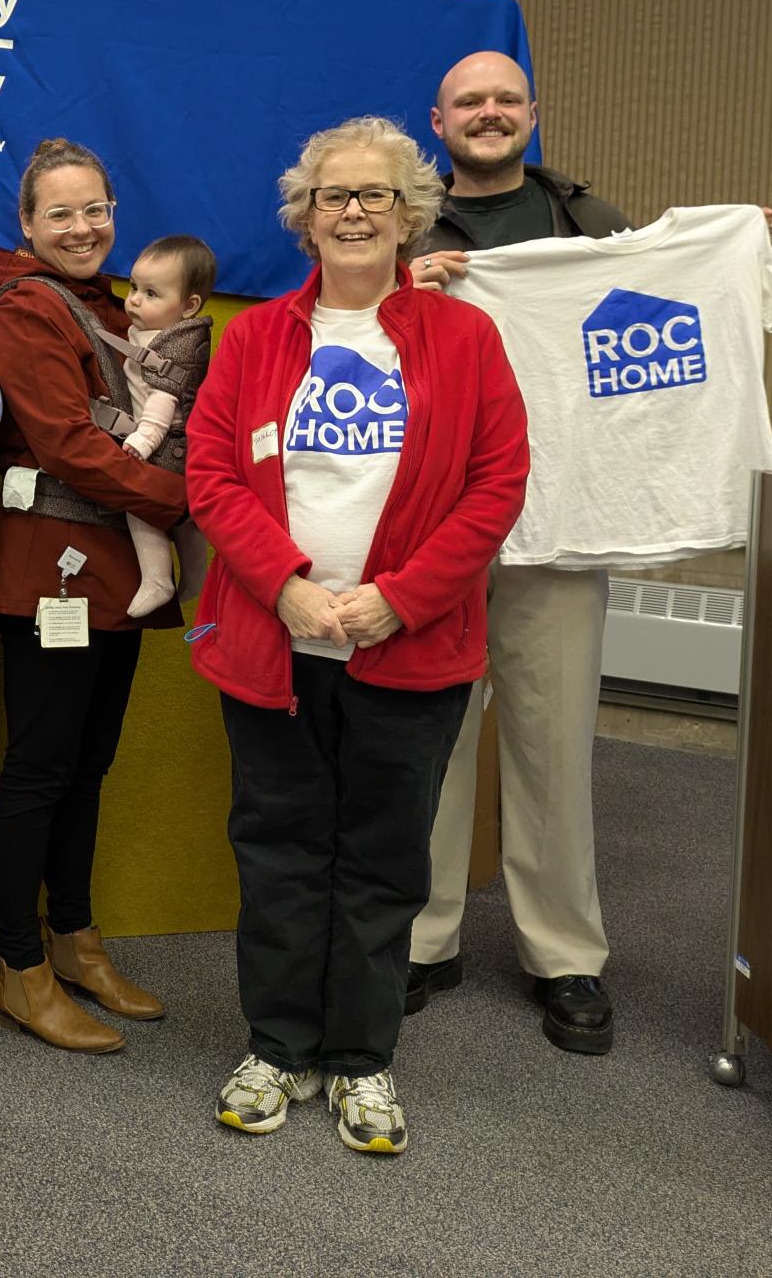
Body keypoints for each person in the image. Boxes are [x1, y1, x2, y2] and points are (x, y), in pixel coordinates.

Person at [403, 50, 772, 1056]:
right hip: (431, 526)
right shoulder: (401, 220)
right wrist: (407, 291)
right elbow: (342, 330)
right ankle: (420, 933)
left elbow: (701, 323)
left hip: (561, 525)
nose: (487, 114)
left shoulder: (597, 226)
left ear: (531, 114)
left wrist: (744, 251)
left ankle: (563, 953)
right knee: (426, 739)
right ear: (436, 121)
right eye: (467, 103)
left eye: (503, 99)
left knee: (552, 740)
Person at [189, 117, 528, 1154]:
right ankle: (278, 1043)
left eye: (371, 195)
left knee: (383, 858)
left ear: (408, 213)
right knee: (280, 850)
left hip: (407, 647)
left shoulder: (462, 338)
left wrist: (403, 596)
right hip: (273, 644)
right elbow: (207, 469)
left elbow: (496, 482)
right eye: (331, 195)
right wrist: (285, 585)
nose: (349, 211)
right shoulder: (253, 338)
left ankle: (360, 1056)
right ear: (303, 215)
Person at [0, 138, 181, 1054]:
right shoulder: (26, 308)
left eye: (94, 209)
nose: (82, 226)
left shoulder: (115, 307)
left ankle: (73, 939)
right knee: (40, 767)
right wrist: (188, 500)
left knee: (89, 762)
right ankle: (20, 966)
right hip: (50, 570)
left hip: (116, 575)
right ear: (26, 225)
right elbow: (65, 443)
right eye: (60, 213)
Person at [117, 233, 216, 616]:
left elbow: (162, 402)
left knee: (139, 506)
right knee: (187, 521)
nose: (135, 299)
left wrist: (143, 440)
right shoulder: (160, 332)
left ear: (188, 306)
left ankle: (158, 578)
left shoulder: (175, 345)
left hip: (164, 446)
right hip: (181, 450)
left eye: (152, 293)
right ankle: (195, 576)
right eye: (133, 287)